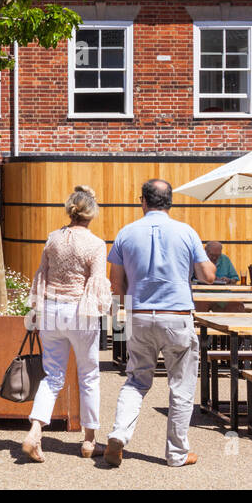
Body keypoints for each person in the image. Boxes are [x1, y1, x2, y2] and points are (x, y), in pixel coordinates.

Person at [104, 179, 216, 468]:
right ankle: (177, 454)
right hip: (177, 317)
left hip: (139, 315)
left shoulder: (125, 233)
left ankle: (119, 433)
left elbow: (117, 284)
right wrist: (208, 259)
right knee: (181, 386)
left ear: (142, 200)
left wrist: (120, 326)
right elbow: (208, 276)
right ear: (170, 201)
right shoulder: (187, 232)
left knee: (136, 381)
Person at [21, 185, 113, 463]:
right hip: (80, 312)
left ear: (70, 211)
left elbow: (42, 276)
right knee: (88, 375)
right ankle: (89, 440)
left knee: (53, 376)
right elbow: (97, 285)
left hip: (50, 310)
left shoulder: (53, 238)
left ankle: (35, 431)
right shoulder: (96, 244)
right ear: (91, 214)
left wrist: (35, 310)